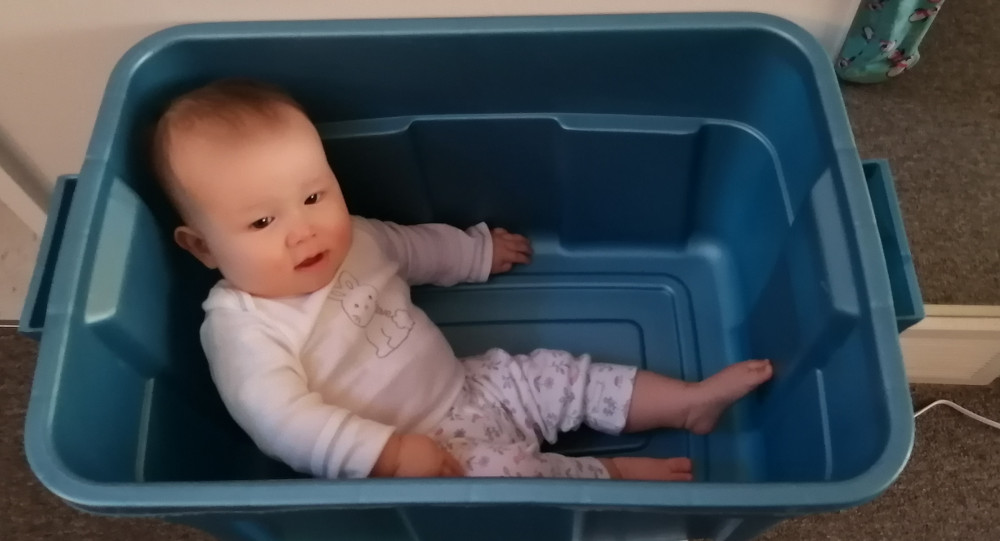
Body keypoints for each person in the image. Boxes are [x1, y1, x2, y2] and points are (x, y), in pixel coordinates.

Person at [150, 79, 773, 481]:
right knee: (513, 480)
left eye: (315, 194)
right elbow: (278, 418)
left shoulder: (354, 240)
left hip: (470, 382)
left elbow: (413, 248)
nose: (303, 230)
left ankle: (687, 403)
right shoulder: (244, 326)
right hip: (421, 452)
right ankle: (609, 476)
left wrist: (477, 253)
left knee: (562, 375)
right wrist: (387, 455)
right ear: (203, 247)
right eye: (262, 220)